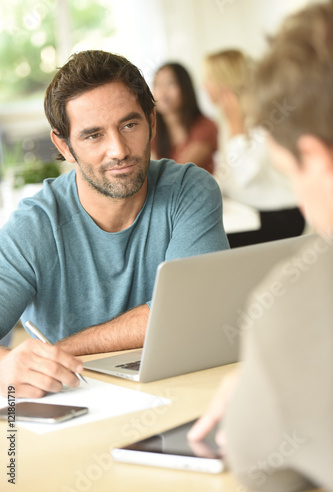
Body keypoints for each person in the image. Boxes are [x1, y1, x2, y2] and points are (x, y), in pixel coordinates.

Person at [0, 50, 229, 399]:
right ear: (63, 144)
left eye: (129, 124)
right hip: (76, 405)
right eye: (93, 136)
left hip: (183, 395)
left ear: (151, 120)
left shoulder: (188, 189)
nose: (118, 150)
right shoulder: (35, 225)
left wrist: (63, 349)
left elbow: (194, 308)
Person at [189, 0, 333, 492]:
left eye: (293, 173)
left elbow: (264, 471)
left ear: (314, 158)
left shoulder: (291, 308)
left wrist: (269, 384)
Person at [203, 49, 305, 248]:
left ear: (222, 81)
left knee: (216, 246)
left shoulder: (261, 118)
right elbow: (228, 179)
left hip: (281, 216)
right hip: (250, 210)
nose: (203, 85)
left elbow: (244, 176)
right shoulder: (227, 120)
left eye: (207, 78)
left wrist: (236, 126)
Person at [151, 62, 218, 174]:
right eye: (158, 84)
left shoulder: (206, 126)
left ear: (185, 88)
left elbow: (178, 171)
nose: (163, 92)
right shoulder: (153, 132)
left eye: (171, 83)